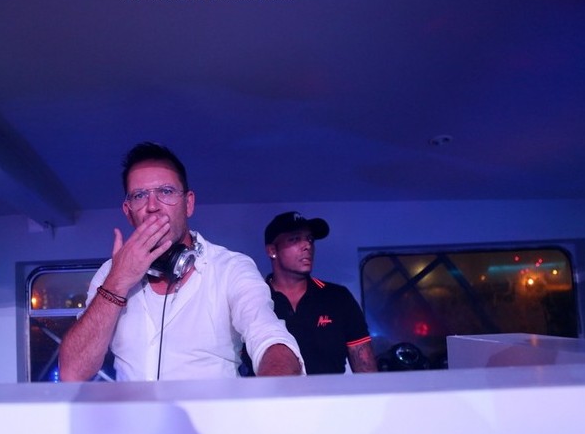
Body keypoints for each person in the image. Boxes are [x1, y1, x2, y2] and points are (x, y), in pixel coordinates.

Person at [59, 142, 305, 381]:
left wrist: (275, 391)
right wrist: (117, 283)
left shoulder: (230, 268)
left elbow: (268, 336)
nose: (152, 206)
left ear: (188, 204)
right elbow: (72, 373)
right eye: (140, 195)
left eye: (166, 192)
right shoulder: (110, 274)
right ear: (128, 212)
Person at [261, 211, 378, 374]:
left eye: (310, 239)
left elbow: (366, 370)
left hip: (332, 392)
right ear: (272, 250)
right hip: (271, 392)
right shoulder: (255, 299)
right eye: (295, 239)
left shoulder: (338, 298)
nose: (307, 246)